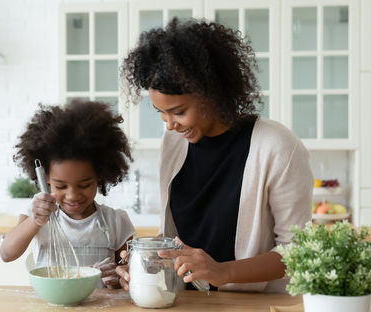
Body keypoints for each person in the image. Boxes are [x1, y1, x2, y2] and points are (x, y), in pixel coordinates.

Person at [117, 18, 313, 292]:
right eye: (160, 112)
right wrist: (142, 263)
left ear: (213, 93)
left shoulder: (277, 147)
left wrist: (223, 271)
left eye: (178, 111)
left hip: (252, 310)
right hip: (185, 304)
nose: (169, 124)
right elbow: (176, 239)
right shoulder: (173, 143)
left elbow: (299, 253)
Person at [0, 100, 135, 289]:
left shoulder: (116, 221)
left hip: (99, 311)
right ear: (45, 178)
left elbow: (128, 274)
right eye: (61, 186)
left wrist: (118, 279)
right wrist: (35, 221)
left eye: (85, 184)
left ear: (100, 176)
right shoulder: (37, 216)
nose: (72, 195)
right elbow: (7, 254)